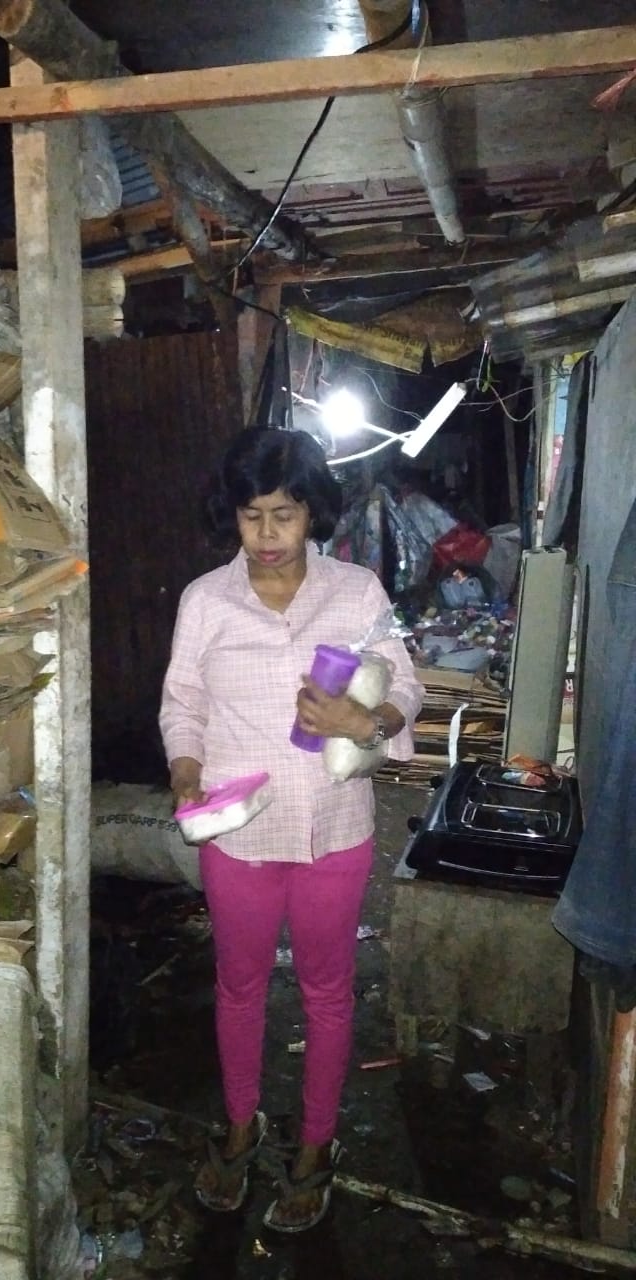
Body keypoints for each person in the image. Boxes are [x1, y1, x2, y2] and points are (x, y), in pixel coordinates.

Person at [159, 427, 423, 1233]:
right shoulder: (207, 601)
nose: (268, 535)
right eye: (252, 516)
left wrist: (364, 720)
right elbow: (182, 702)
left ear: (313, 512)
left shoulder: (355, 592)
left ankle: (315, 1144)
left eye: (285, 514)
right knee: (239, 986)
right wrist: (185, 771)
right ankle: (241, 1126)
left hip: (333, 827)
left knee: (327, 990)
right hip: (239, 832)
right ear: (232, 516)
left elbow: (406, 687)